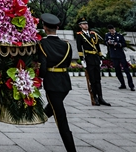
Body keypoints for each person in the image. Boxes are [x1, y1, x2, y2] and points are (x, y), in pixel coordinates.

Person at [37, 13, 77, 152]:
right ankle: (39, 116)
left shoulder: (42, 44)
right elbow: (67, 62)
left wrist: (39, 76)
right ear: (57, 27)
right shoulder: (66, 45)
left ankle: (71, 149)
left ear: (44, 28)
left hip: (52, 83)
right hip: (65, 82)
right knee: (55, 106)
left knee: (61, 118)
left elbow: (42, 67)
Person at [75, 18, 110, 106]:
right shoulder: (79, 35)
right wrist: (82, 59)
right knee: (92, 80)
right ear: (80, 26)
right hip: (88, 58)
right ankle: (95, 97)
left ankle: (101, 97)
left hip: (96, 58)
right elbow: (79, 48)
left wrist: (101, 57)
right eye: (83, 24)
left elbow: (98, 46)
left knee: (98, 79)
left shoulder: (93, 34)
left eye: (86, 24)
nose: (86, 25)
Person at [104, 25, 134, 91]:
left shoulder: (119, 35)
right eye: (110, 29)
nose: (111, 30)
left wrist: (117, 44)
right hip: (113, 55)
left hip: (120, 55)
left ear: (114, 29)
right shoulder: (107, 35)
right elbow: (105, 42)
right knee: (118, 71)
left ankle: (131, 85)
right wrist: (108, 43)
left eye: (112, 29)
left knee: (126, 70)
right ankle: (122, 84)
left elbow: (124, 44)